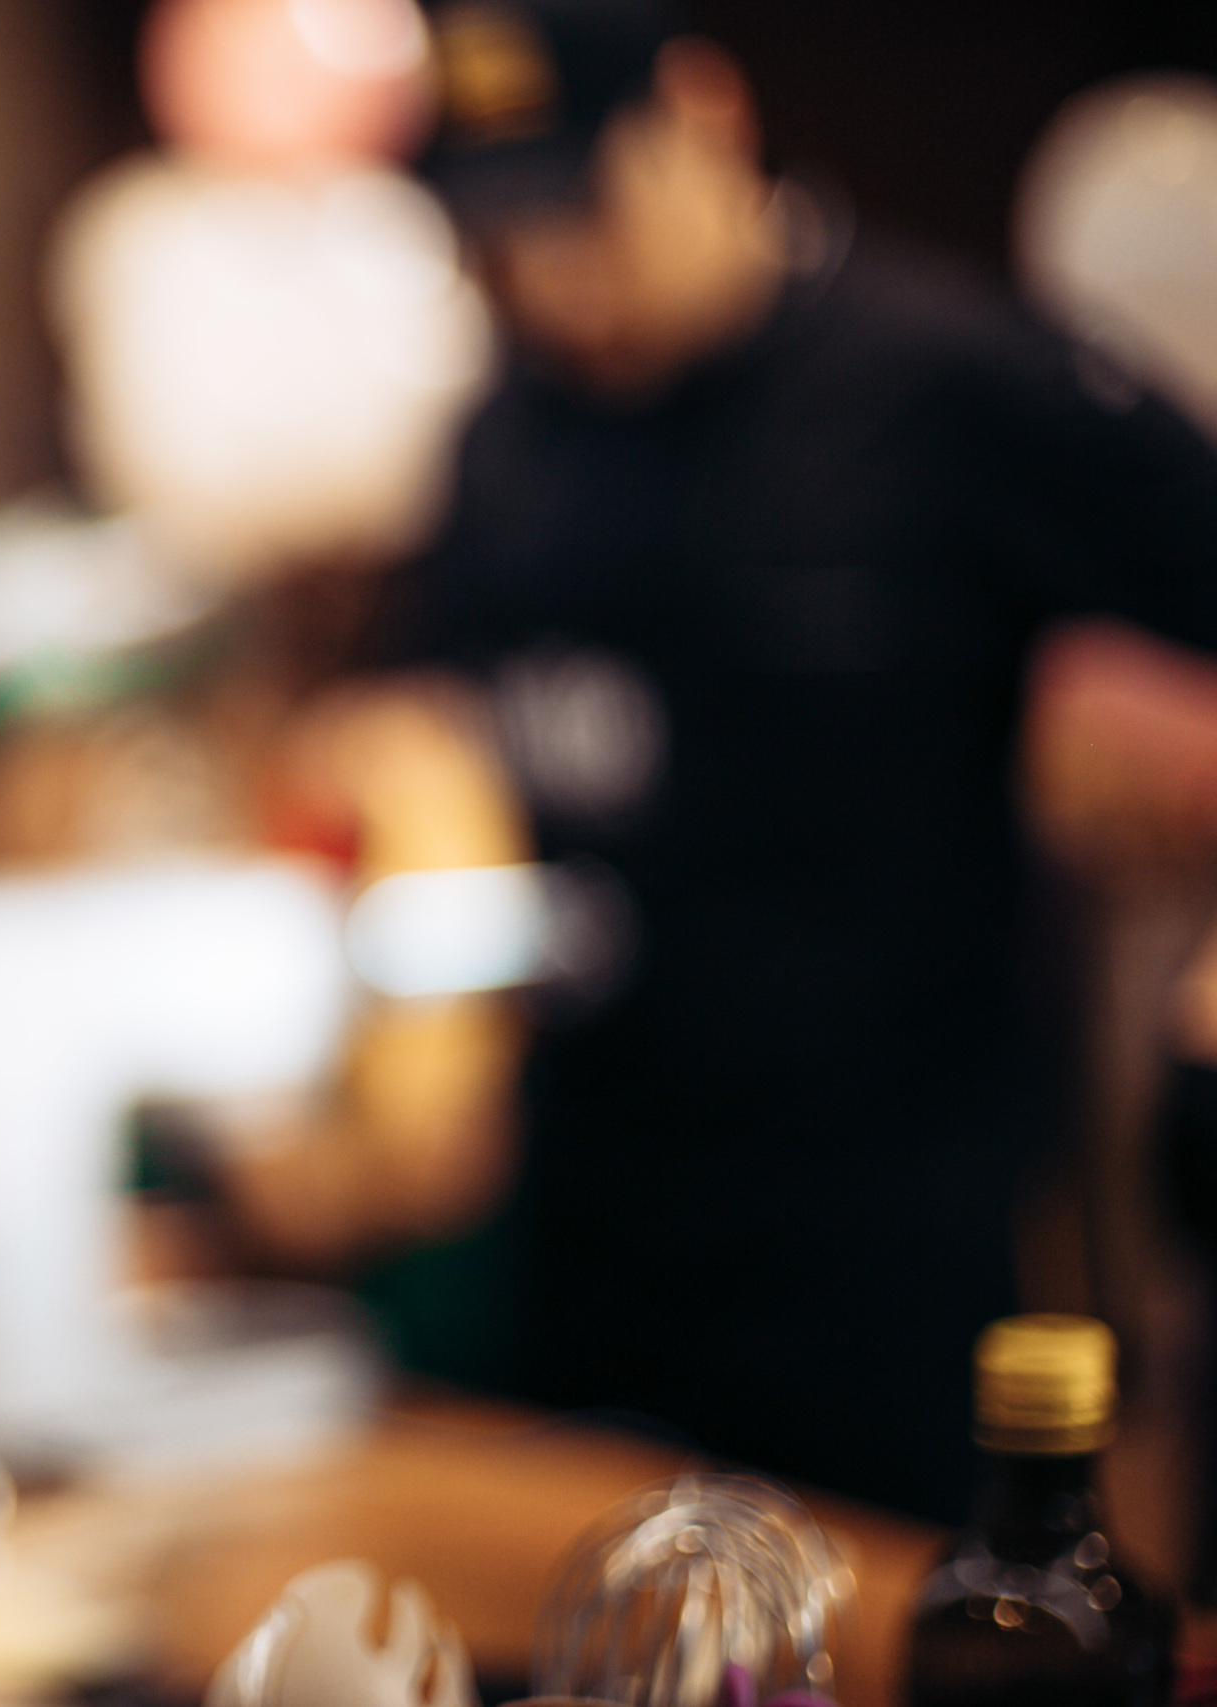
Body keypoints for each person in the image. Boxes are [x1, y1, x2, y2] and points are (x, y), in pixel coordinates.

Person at [233, 0, 1217, 1522]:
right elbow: (437, 767)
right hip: (594, 1234)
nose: (554, 283)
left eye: (586, 215)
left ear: (705, 121)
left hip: (874, 1251)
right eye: (503, 239)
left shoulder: (940, 379)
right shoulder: (507, 445)